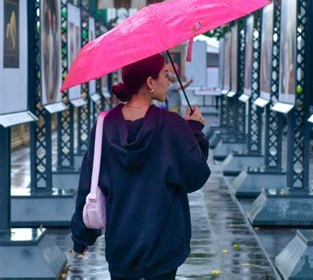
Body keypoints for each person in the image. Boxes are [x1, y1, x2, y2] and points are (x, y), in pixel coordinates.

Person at [70, 53, 210, 279]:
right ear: (150, 82)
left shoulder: (105, 125)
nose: (169, 80)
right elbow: (194, 175)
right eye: (165, 74)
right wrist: (193, 130)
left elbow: (89, 183)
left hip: (121, 243)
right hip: (164, 243)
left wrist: (81, 236)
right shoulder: (172, 126)